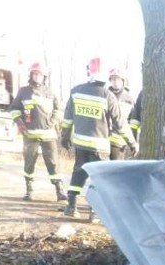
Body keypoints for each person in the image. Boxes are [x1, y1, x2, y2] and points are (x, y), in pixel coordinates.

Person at [59, 57, 138, 218]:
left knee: (78, 173)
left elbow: (67, 120)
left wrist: (64, 138)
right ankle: (94, 213)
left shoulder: (76, 91)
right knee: (99, 179)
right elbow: (120, 124)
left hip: (80, 143)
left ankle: (71, 207)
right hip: (100, 146)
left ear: (89, 72)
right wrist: (132, 143)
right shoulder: (108, 95)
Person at [9, 63, 66, 201]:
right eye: (35, 74)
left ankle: (59, 190)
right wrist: (20, 123)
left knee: (53, 162)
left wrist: (52, 122)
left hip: (48, 135)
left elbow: (58, 110)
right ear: (31, 75)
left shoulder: (50, 92)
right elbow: (14, 109)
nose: (37, 77)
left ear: (44, 77)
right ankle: (29, 190)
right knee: (29, 162)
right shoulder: (23, 91)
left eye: (40, 74)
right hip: (30, 134)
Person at [106, 68, 136, 160]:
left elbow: (132, 123)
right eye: (113, 79)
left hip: (119, 143)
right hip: (104, 141)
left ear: (123, 81)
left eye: (118, 79)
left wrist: (133, 142)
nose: (115, 82)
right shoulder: (104, 94)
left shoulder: (129, 99)